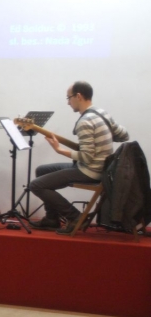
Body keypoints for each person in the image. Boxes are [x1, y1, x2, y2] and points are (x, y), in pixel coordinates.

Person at [29, 81, 129, 234]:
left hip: (91, 171)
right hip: (102, 168)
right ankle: (51, 219)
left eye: (69, 98)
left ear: (79, 96)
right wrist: (103, 138)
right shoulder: (102, 113)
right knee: (42, 170)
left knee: (36, 185)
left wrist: (60, 150)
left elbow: (86, 157)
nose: (68, 102)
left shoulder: (85, 121)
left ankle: (76, 217)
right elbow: (124, 135)